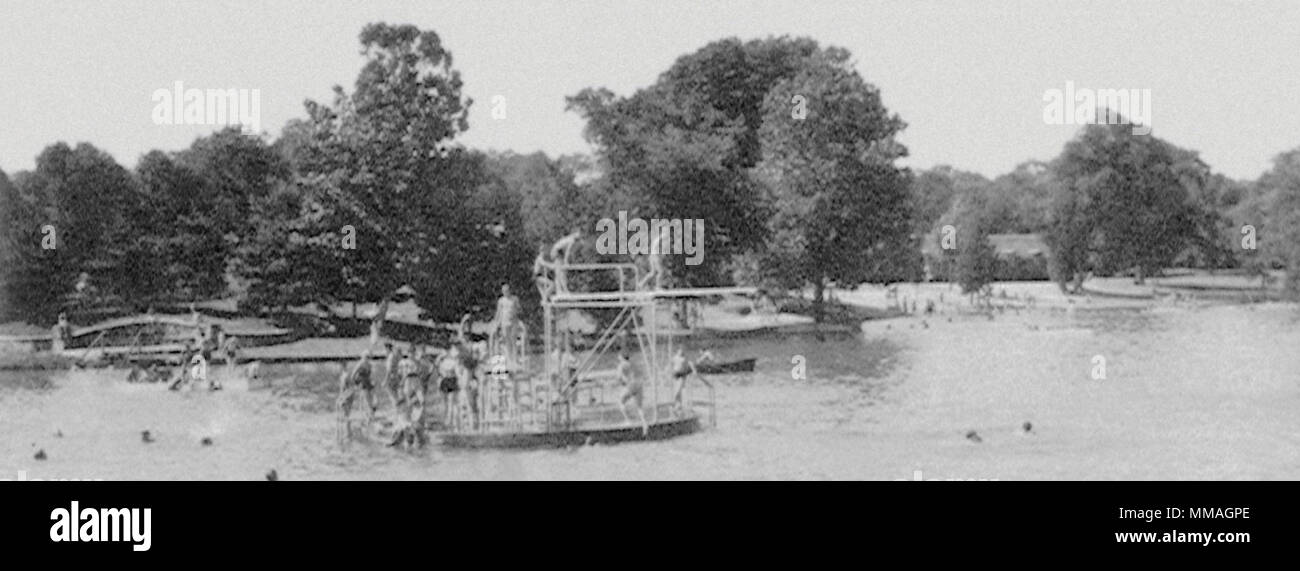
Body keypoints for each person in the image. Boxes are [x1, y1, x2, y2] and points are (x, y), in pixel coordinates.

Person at [337, 351, 378, 426]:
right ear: (363, 357)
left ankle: (369, 416)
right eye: (366, 357)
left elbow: (371, 375)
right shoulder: (360, 364)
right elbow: (353, 374)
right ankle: (368, 417)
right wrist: (354, 384)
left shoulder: (369, 365)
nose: (368, 358)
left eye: (368, 357)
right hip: (362, 384)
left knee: (371, 400)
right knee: (366, 400)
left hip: (368, 383)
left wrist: (373, 381)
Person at [616, 352, 648, 435]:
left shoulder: (621, 365)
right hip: (639, 384)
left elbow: (619, 378)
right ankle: (645, 424)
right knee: (639, 407)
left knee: (621, 401)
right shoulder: (633, 364)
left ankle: (628, 420)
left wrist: (622, 383)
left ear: (621, 357)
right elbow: (642, 374)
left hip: (631, 385)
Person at [382, 342, 402, 413]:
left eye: (385, 349)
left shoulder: (390, 357)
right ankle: (398, 412)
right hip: (397, 377)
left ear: (387, 348)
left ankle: (397, 412)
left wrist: (385, 380)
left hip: (391, 378)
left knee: (393, 396)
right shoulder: (395, 356)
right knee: (396, 395)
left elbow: (389, 370)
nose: (384, 351)